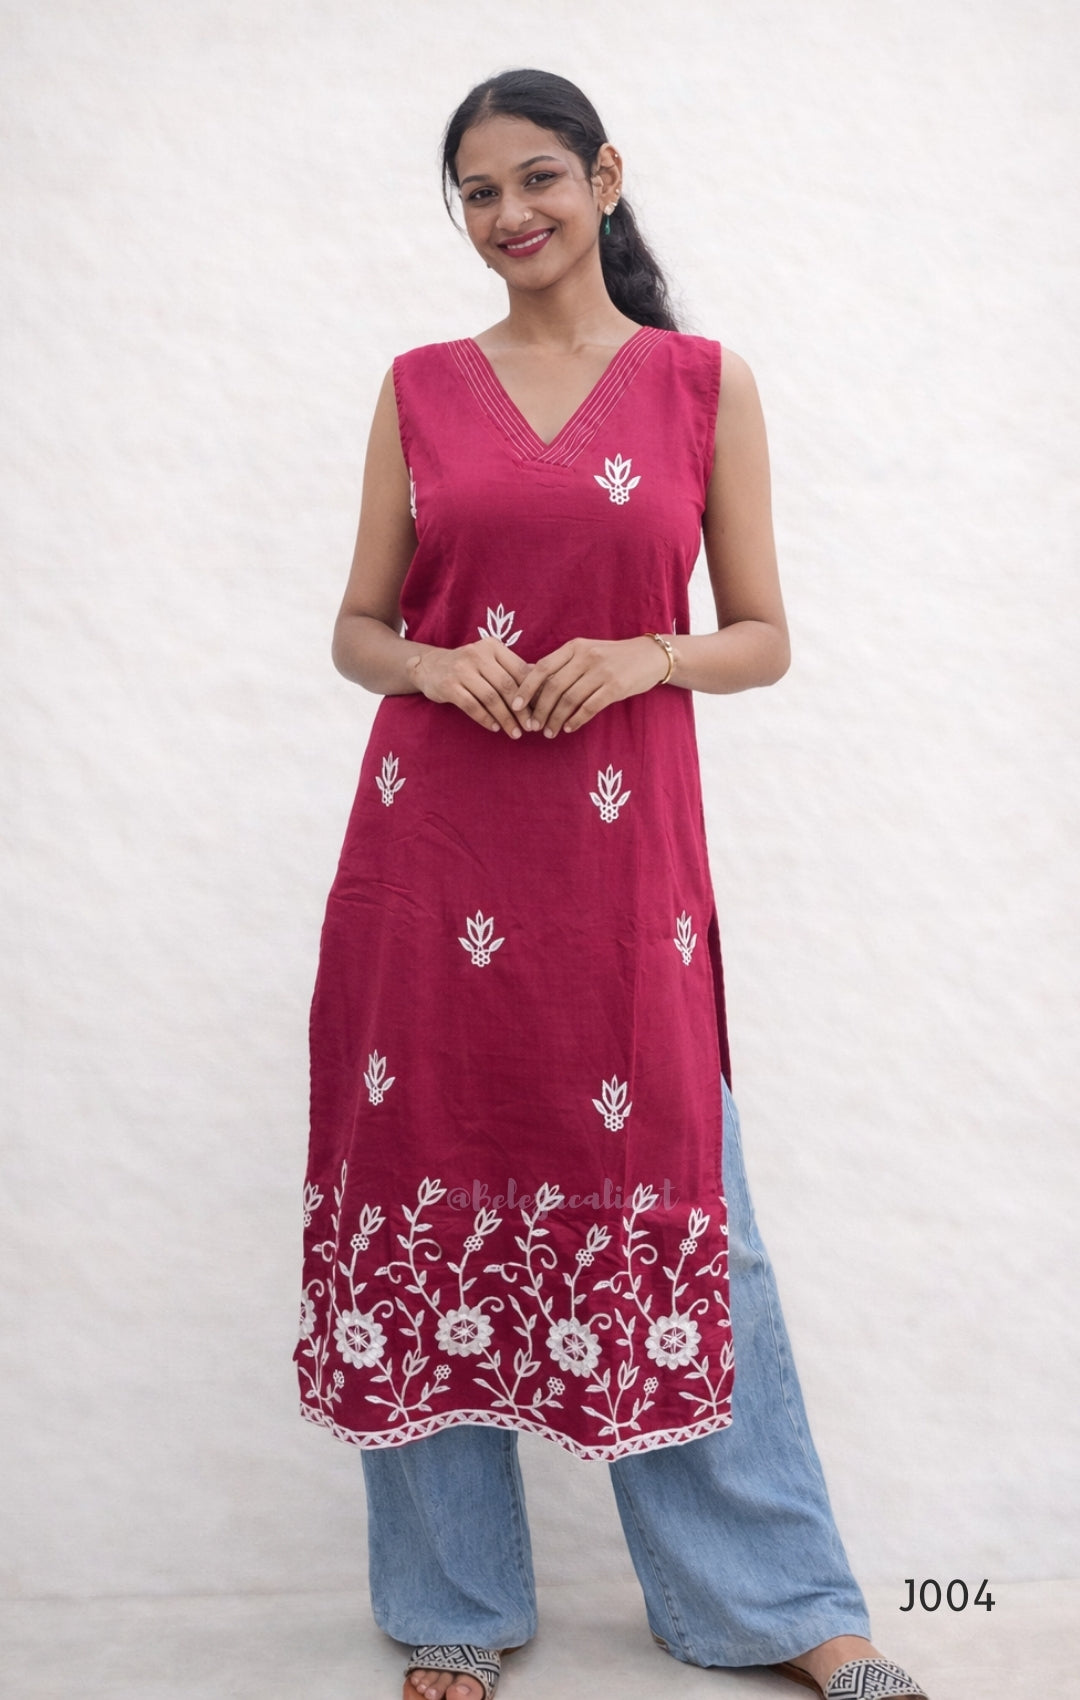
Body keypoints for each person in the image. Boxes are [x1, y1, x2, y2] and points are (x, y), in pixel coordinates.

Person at [296, 67, 928, 1700]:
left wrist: (647, 650)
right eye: (480, 193)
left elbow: (766, 634)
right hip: (430, 860)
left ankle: (780, 1604)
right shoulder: (422, 385)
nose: (512, 215)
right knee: (422, 1177)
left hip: (620, 867)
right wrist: (435, 674)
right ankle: (452, 1605)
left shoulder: (700, 384)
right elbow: (357, 628)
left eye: (539, 179)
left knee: (686, 1202)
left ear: (605, 178)